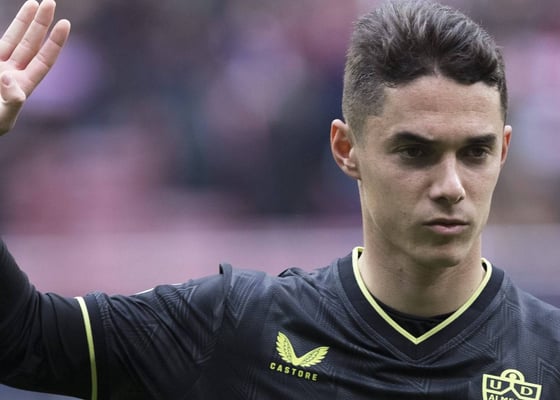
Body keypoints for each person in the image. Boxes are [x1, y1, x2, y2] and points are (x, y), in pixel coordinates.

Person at [0, 0, 558, 399]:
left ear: (505, 150)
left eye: (476, 152)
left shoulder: (548, 356)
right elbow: (22, 338)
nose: (451, 185)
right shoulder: (237, 326)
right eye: (415, 152)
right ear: (346, 149)